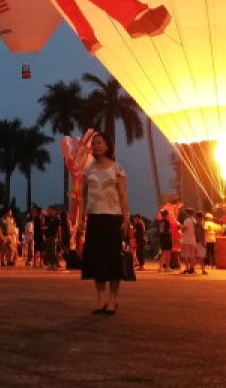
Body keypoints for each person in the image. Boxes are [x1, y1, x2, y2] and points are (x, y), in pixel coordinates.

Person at [79, 131, 131, 315]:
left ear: (108, 146)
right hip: (94, 217)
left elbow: (123, 195)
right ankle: (101, 298)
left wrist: (126, 218)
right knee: (96, 259)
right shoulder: (88, 170)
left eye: (100, 142)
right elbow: (83, 196)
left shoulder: (117, 168)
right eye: (94, 143)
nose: (96, 145)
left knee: (113, 260)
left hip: (113, 218)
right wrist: (80, 220)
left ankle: (112, 299)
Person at [179, 208, 198, 275]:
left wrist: (180, 227)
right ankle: (192, 269)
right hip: (193, 239)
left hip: (186, 240)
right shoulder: (194, 220)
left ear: (187, 213)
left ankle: (187, 268)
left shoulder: (187, 220)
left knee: (185, 255)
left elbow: (184, 230)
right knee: (192, 255)